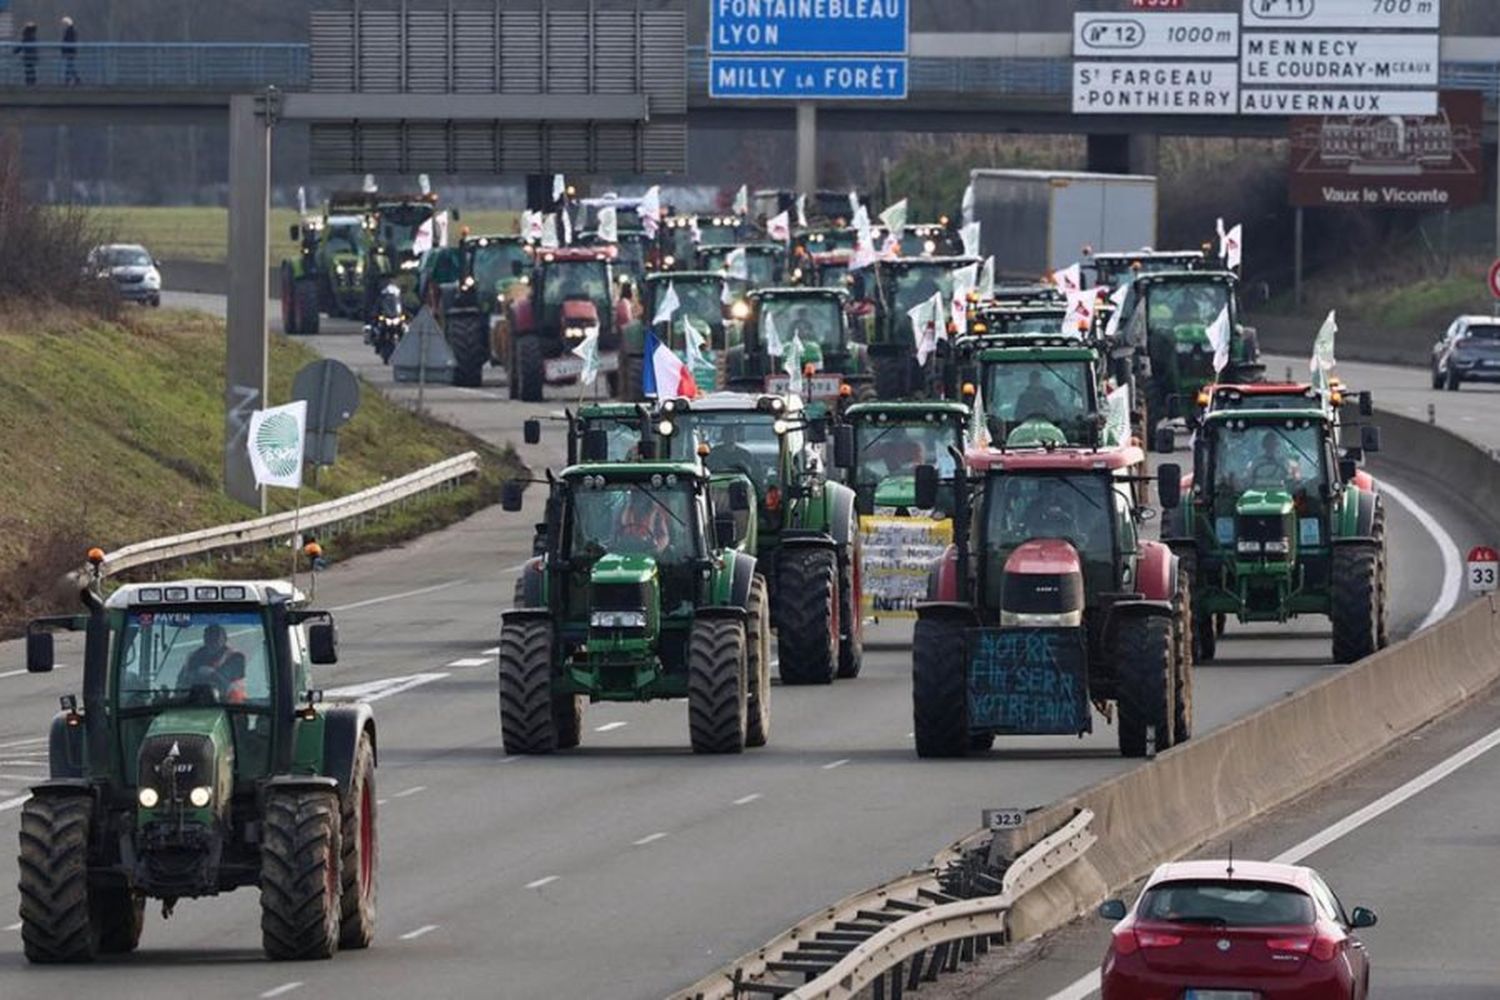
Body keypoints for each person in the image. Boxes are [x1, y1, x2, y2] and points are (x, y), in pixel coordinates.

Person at [181, 624, 248, 703]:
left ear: (225, 640)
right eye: (209, 638)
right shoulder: (193, 657)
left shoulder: (236, 658)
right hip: (194, 705)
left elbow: (225, 682)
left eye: (216, 638)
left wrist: (212, 673)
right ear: (205, 640)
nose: (212, 642)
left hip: (232, 706)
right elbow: (182, 681)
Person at [617, 490, 672, 557]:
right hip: (627, 554)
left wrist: (656, 550)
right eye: (635, 496)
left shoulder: (657, 514)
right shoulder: (623, 512)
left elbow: (665, 536)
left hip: (650, 553)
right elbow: (615, 537)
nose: (640, 501)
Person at [15, 22, 38, 87]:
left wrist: (15, 51)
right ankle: (32, 83)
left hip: (27, 57)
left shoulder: (26, 37)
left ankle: (29, 83)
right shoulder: (33, 38)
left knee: (28, 71)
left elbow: (20, 47)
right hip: (32, 57)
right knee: (32, 70)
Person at [60, 16, 79, 86]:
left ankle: (69, 80)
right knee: (70, 65)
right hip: (71, 51)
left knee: (69, 65)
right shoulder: (72, 31)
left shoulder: (69, 31)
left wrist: (64, 50)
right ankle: (73, 79)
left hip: (69, 51)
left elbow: (67, 41)